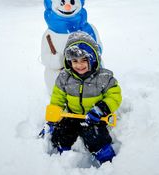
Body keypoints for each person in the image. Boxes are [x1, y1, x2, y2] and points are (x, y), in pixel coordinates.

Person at [47, 31, 122, 165]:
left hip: (95, 116)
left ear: (93, 59)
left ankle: (106, 157)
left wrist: (101, 109)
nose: (79, 65)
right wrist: (54, 116)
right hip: (72, 114)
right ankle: (62, 158)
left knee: (95, 135)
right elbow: (58, 98)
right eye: (74, 61)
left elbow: (114, 95)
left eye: (84, 60)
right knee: (61, 132)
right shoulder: (65, 78)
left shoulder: (103, 77)